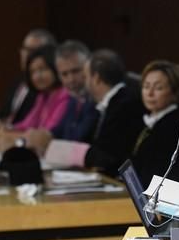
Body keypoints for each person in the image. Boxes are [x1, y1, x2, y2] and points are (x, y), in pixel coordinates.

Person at [38, 49, 145, 177]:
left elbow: (108, 156)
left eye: (85, 76)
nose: (84, 82)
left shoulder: (124, 105)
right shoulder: (112, 103)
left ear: (96, 78)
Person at [131, 60, 179, 188]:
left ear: (175, 92)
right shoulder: (147, 119)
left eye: (158, 88)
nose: (150, 93)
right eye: (146, 86)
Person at [0, 44, 70, 152]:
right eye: (33, 72)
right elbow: (27, 124)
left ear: (55, 67)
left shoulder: (65, 95)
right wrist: (3, 129)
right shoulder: (43, 96)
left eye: (43, 69)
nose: (37, 76)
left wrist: (10, 136)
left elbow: (48, 132)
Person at [24, 40, 99, 148]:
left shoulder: (96, 100)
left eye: (76, 71)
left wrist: (48, 141)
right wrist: (45, 135)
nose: (71, 80)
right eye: (64, 74)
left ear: (89, 68)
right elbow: (60, 130)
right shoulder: (73, 99)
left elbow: (78, 139)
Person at [0, 29, 57, 125]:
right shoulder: (17, 82)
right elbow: (4, 114)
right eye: (24, 49)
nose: (27, 55)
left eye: (33, 51)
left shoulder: (47, 91)